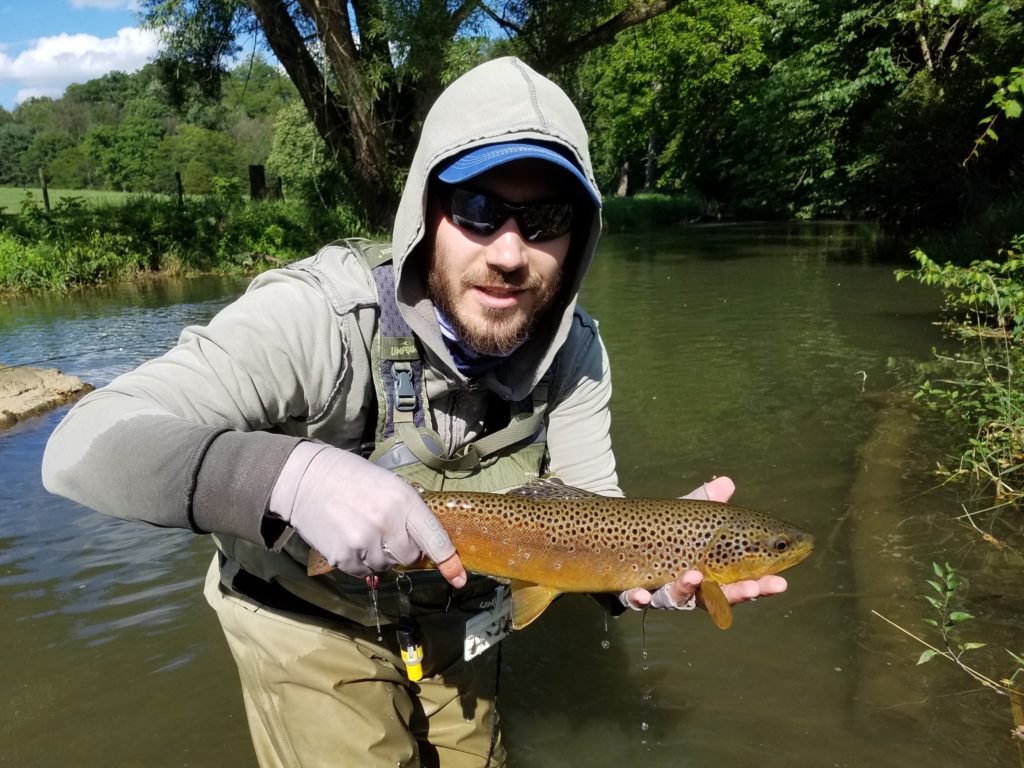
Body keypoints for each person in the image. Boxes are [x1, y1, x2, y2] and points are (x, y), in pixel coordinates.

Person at [42, 57, 786, 767]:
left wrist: (646, 576)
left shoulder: (576, 351)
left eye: (546, 217)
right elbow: (83, 444)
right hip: (306, 612)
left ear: (579, 236)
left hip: (459, 616)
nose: (508, 252)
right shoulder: (320, 315)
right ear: (425, 212)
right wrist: (293, 477)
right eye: (479, 208)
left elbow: (595, 512)